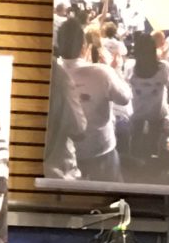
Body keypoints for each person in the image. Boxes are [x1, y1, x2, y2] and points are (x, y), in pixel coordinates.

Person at [50, 14, 128, 185]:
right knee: (112, 193)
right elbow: (124, 99)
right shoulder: (102, 72)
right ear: (84, 46)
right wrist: (115, 71)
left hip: (66, 153)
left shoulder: (53, 74)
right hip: (101, 149)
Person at [122, 29, 169, 170]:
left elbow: (126, 81)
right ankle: (152, 161)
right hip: (156, 110)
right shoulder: (163, 67)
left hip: (136, 109)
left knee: (136, 136)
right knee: (154, 135)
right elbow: (168, 83)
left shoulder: (130, 66)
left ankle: (135, 163)